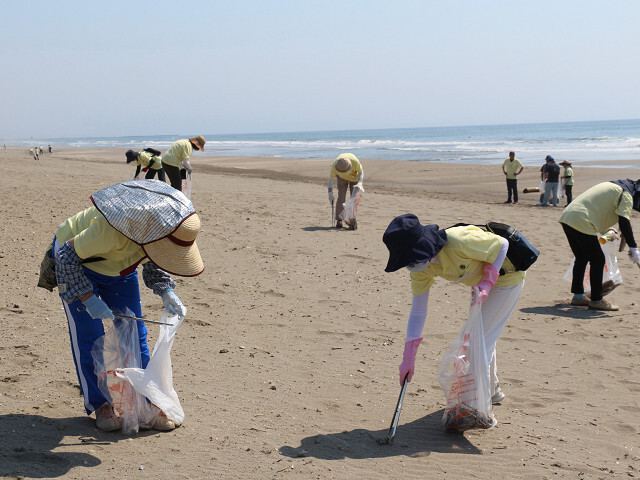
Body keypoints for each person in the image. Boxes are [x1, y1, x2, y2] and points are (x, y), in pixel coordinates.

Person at [51, 180, 204, 431]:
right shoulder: (108, 231)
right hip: (77, 262)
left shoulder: (158, 233)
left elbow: (157, 255)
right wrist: (87, 298)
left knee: (135, 334)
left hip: (119, 268)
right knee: (89, 335)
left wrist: (165, 290)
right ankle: (101, 405)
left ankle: (148, 403)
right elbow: (65, 258)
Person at [383, 214, 525, 407]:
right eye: (406, 263)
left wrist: (488, 281)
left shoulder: (458, 240)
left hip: (507, 278)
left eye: (412, 259)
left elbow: (501, 245)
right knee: (480, 336)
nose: (411, 266)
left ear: (423, 247)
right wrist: (408, 357)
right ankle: (491, 391)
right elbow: (418, 312)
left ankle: (475, 407)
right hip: (480, 287)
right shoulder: (421, 270)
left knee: (479, 342)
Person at [559, 179, 640, 311]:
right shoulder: (625, 194)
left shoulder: (614, 186)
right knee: (598, 260)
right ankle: (596, 300)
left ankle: (578, 297)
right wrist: (633, 247)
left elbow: (597, 208)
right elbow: (624, 222)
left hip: (568, 216)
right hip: (581, 220)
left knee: (582, 257)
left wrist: (605, 230)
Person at [327, 153, 364, 229]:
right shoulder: (336, 165)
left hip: (355, 178)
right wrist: (330, 192)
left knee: (354, 199)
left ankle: (352, 219)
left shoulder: (355, 162)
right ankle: (339, 219)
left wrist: (360, 182)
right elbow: (330, 179)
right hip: (341, 178)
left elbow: (361, 172)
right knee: (341, 196)